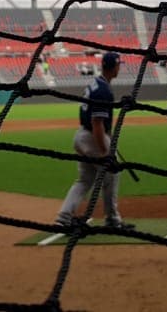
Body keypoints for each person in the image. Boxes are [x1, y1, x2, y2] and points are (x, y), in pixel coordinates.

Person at [55, 52, 134, 231]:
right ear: (113, 67)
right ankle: (113, 220)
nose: (119, 67)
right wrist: (105, 153)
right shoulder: (103, 90)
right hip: (92, 136)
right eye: (118, 65)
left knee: (85, 180)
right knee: (112, 175)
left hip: (82, 136)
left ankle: (64, 217)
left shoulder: (96, 83)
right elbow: (97, 123)